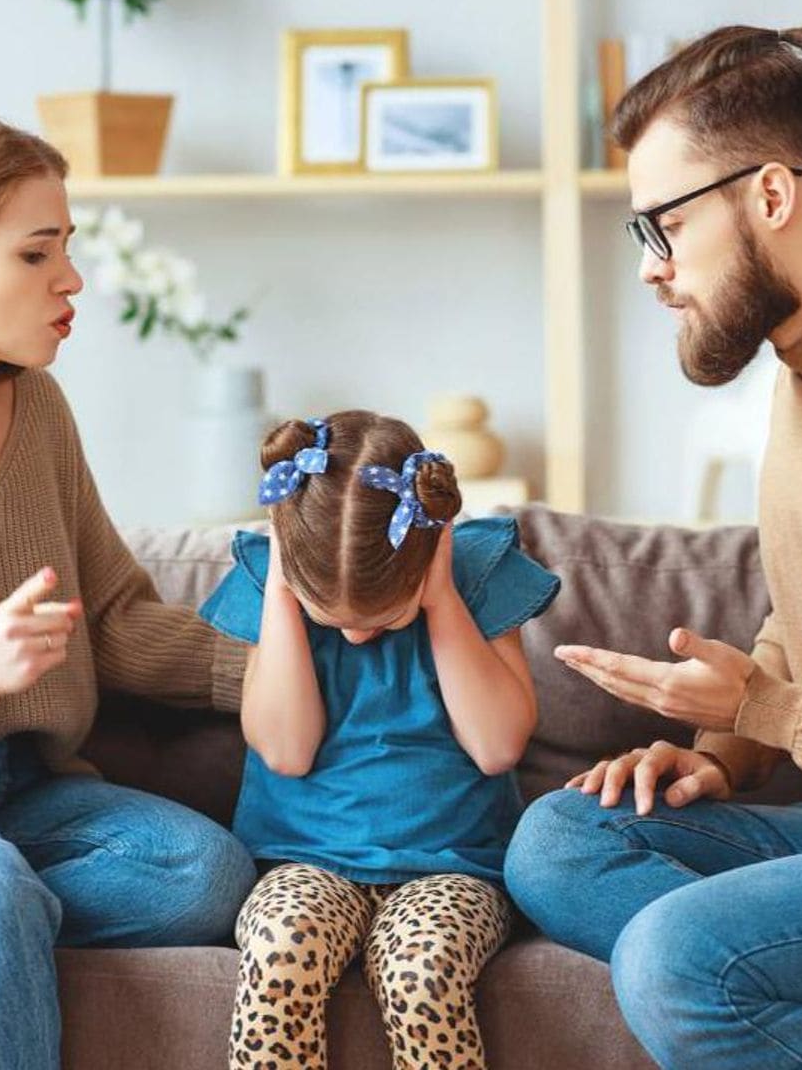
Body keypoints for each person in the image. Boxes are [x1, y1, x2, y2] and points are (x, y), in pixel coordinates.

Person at [504, 25, 802, 1070]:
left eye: (664, 225)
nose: (652, 270)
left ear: (772, 196)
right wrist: (722, 754)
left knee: (677, 958)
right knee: (560, 840)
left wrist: (771, 710)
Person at [0, 111, 256, 1068]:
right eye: (35, 253)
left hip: (16, 792)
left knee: (203, 876)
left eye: (67, 247)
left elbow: (109, 615)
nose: (71, 280)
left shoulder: (37, 408)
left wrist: (270, 667)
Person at [198, 412, 560, 1070]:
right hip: (302, 861)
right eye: (330, 618)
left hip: (453, 867)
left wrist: (442, 597)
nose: (358, 636)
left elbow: (496, 746)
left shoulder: (476, 576)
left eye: (382, 618)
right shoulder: (273, 584)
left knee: (422, 972)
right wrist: (285, 590)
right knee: (281, 951)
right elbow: (286, 751)